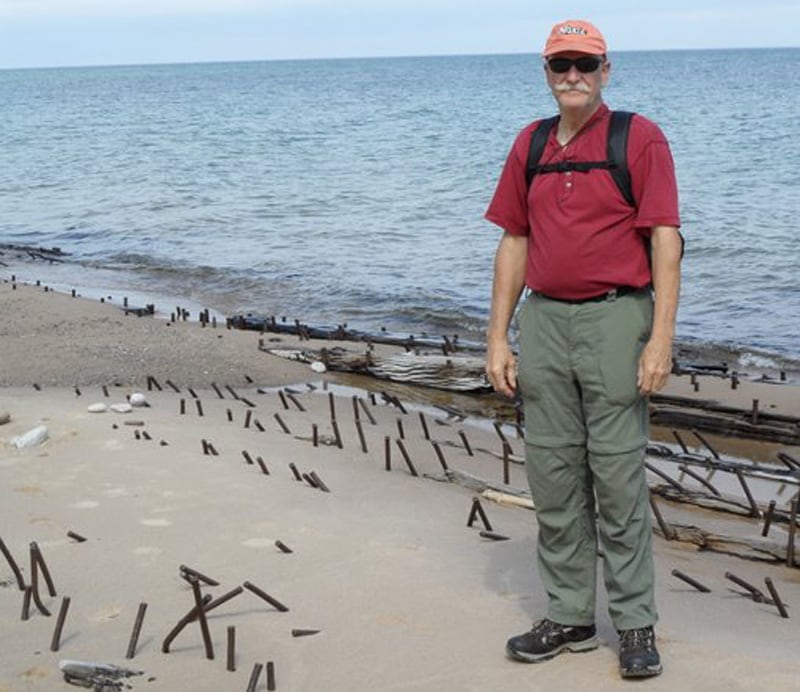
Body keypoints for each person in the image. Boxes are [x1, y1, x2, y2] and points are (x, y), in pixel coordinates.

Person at [484, 19, 682, 679]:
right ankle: (568, 615)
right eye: (561, 64)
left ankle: (634, 627)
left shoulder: (638, 138)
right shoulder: (531, 143)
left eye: (585, 65)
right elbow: (513, 240)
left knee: (618, 479)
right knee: (555, 478)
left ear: (606, 70)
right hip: (543, 324)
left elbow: (664, 241)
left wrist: (660, 339)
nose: (573, 75)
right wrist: (498, 337)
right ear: (546, 71)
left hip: (616, 320)